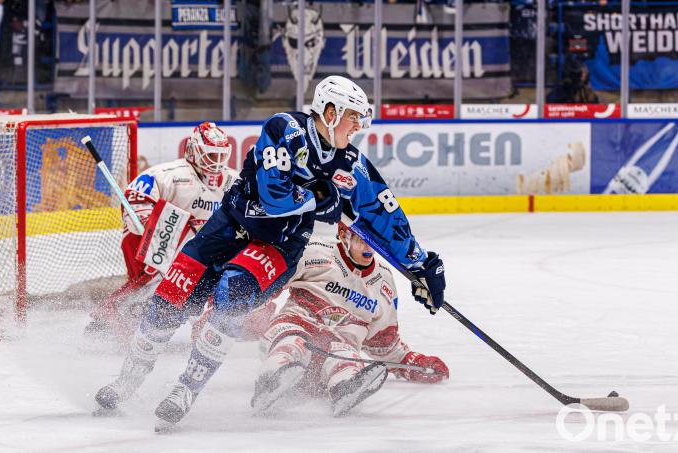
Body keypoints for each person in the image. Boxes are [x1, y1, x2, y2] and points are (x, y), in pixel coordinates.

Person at [94, 75, 447, 430]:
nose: (358, 125)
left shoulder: (351, 164)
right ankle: (128, 380)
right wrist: (316, 197)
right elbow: (273, 195)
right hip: (228, 227)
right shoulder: (284, 129)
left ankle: (186, 388)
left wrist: (420, 264)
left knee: (233, 292)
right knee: (170, 295)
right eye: (353, 115)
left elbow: (383, 213)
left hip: (279, 244)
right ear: (329, 111)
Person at [250, 223, 449, 417]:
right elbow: (266, 282)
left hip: (332, 356)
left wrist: (410, 362)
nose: (369, 246)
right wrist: (254, 310)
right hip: (291, 329)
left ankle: (345, 388)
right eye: (362, 239)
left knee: (348, 357)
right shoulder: (314, 251)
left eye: (375, 240)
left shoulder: (384, 281)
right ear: (344, 234)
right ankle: (270, 381)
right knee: (292, 342)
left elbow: (383, 341)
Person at [84, 122, 238, 342]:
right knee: (162, 278)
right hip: (157, 242)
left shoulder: (234, 181)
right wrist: (147, 221)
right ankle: (113, 318)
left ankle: (207, 321)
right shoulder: (169, 174)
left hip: (201, 249)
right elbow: (136, 195)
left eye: (220, 155)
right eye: (210, 155)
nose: (216, 162)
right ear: (193, 150)